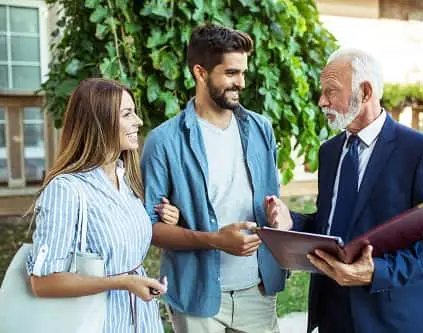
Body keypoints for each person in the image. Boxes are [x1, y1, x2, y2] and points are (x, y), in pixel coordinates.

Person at [266, 49, 423, 333]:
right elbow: (331, 224)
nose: (322, 101)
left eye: (331, 91)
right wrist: (291, 222)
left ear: (365, 91)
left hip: (391, 320)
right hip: (332, 316)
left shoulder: (421, 151)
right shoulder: (329, 151)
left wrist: (376, 272)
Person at [141, 24, 286, 333]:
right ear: (200, 72)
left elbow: (275, 199)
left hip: (258, 290)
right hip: (197, 297)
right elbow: (150, 230)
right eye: (231, 73)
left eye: (243, 73)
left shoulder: (262, 130)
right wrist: (215, 241)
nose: (241, 82)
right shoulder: (164, 141)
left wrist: (279, 214)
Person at [27, 78, 170, 333]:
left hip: (142, 321)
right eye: (127, 114)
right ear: (99, 123)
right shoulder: (67, 189)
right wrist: (123, 282)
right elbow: (43, 282)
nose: (137, 121)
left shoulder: (125, 178)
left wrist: (167, 216)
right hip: (98, 324)